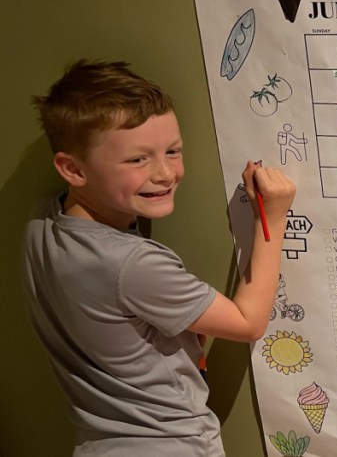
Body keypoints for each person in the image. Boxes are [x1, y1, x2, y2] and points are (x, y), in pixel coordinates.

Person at [21, 59, 296, 456]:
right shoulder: (133, 263)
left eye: (172, 151)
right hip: (172, 444)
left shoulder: (42, 222)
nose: (165, 173)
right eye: (138, 159)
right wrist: (273, 218)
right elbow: (247, 322)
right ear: (72, 169)